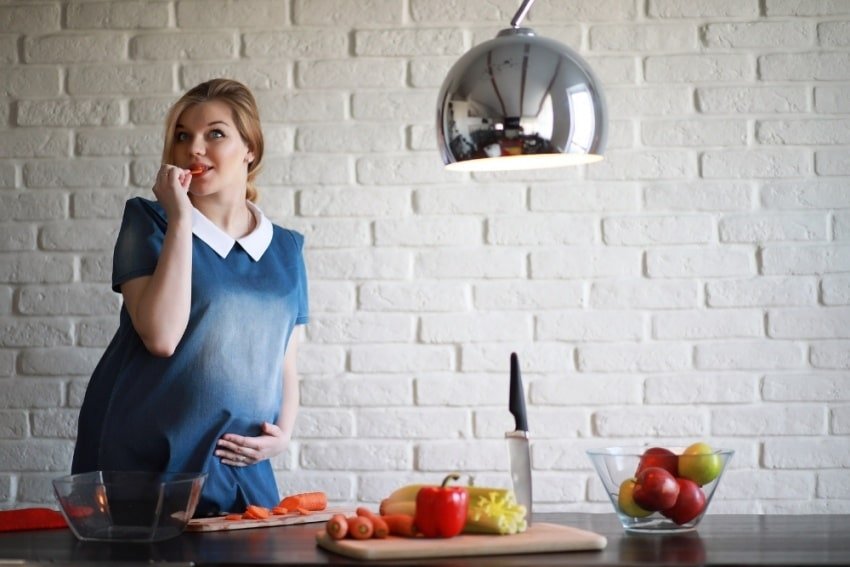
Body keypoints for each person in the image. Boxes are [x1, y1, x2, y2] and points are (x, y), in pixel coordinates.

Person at [71, 78, 309, 517]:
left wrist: (284, 432)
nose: (194, 148)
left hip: (239, 464)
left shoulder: (286, 249)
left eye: (215, 134)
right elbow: (161, 335)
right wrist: (180, 216)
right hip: (147, 460)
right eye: (183, 136)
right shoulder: (149, 221)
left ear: (250, 148)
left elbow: (283, 358)